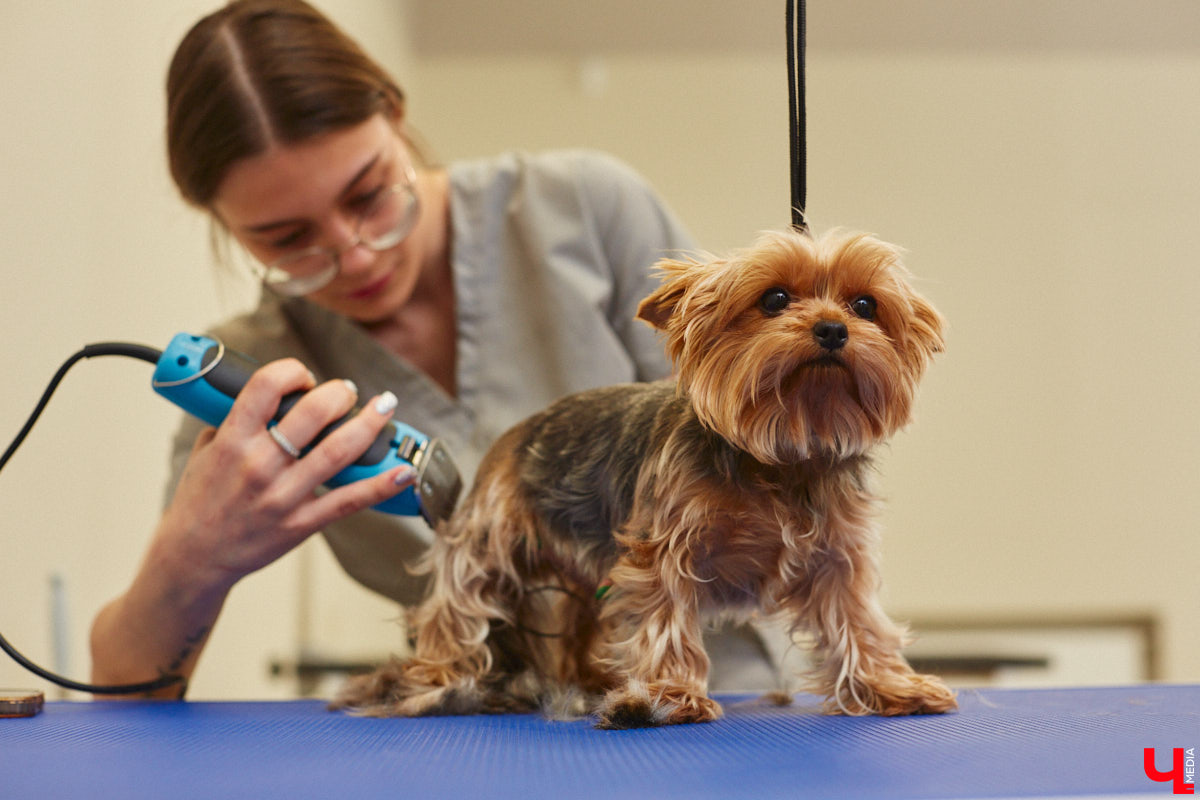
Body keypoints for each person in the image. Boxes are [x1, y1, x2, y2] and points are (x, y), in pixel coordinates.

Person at [89, 0, 785, 698]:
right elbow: (125, 689)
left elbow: (779, 438)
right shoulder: (248, 382)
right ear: (220, 221)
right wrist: (192, 563)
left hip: (719, 693)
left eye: (368, 195)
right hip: (486, 714)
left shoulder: (584, 211)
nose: (355, 256)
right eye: (288, 239)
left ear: (394, 112)